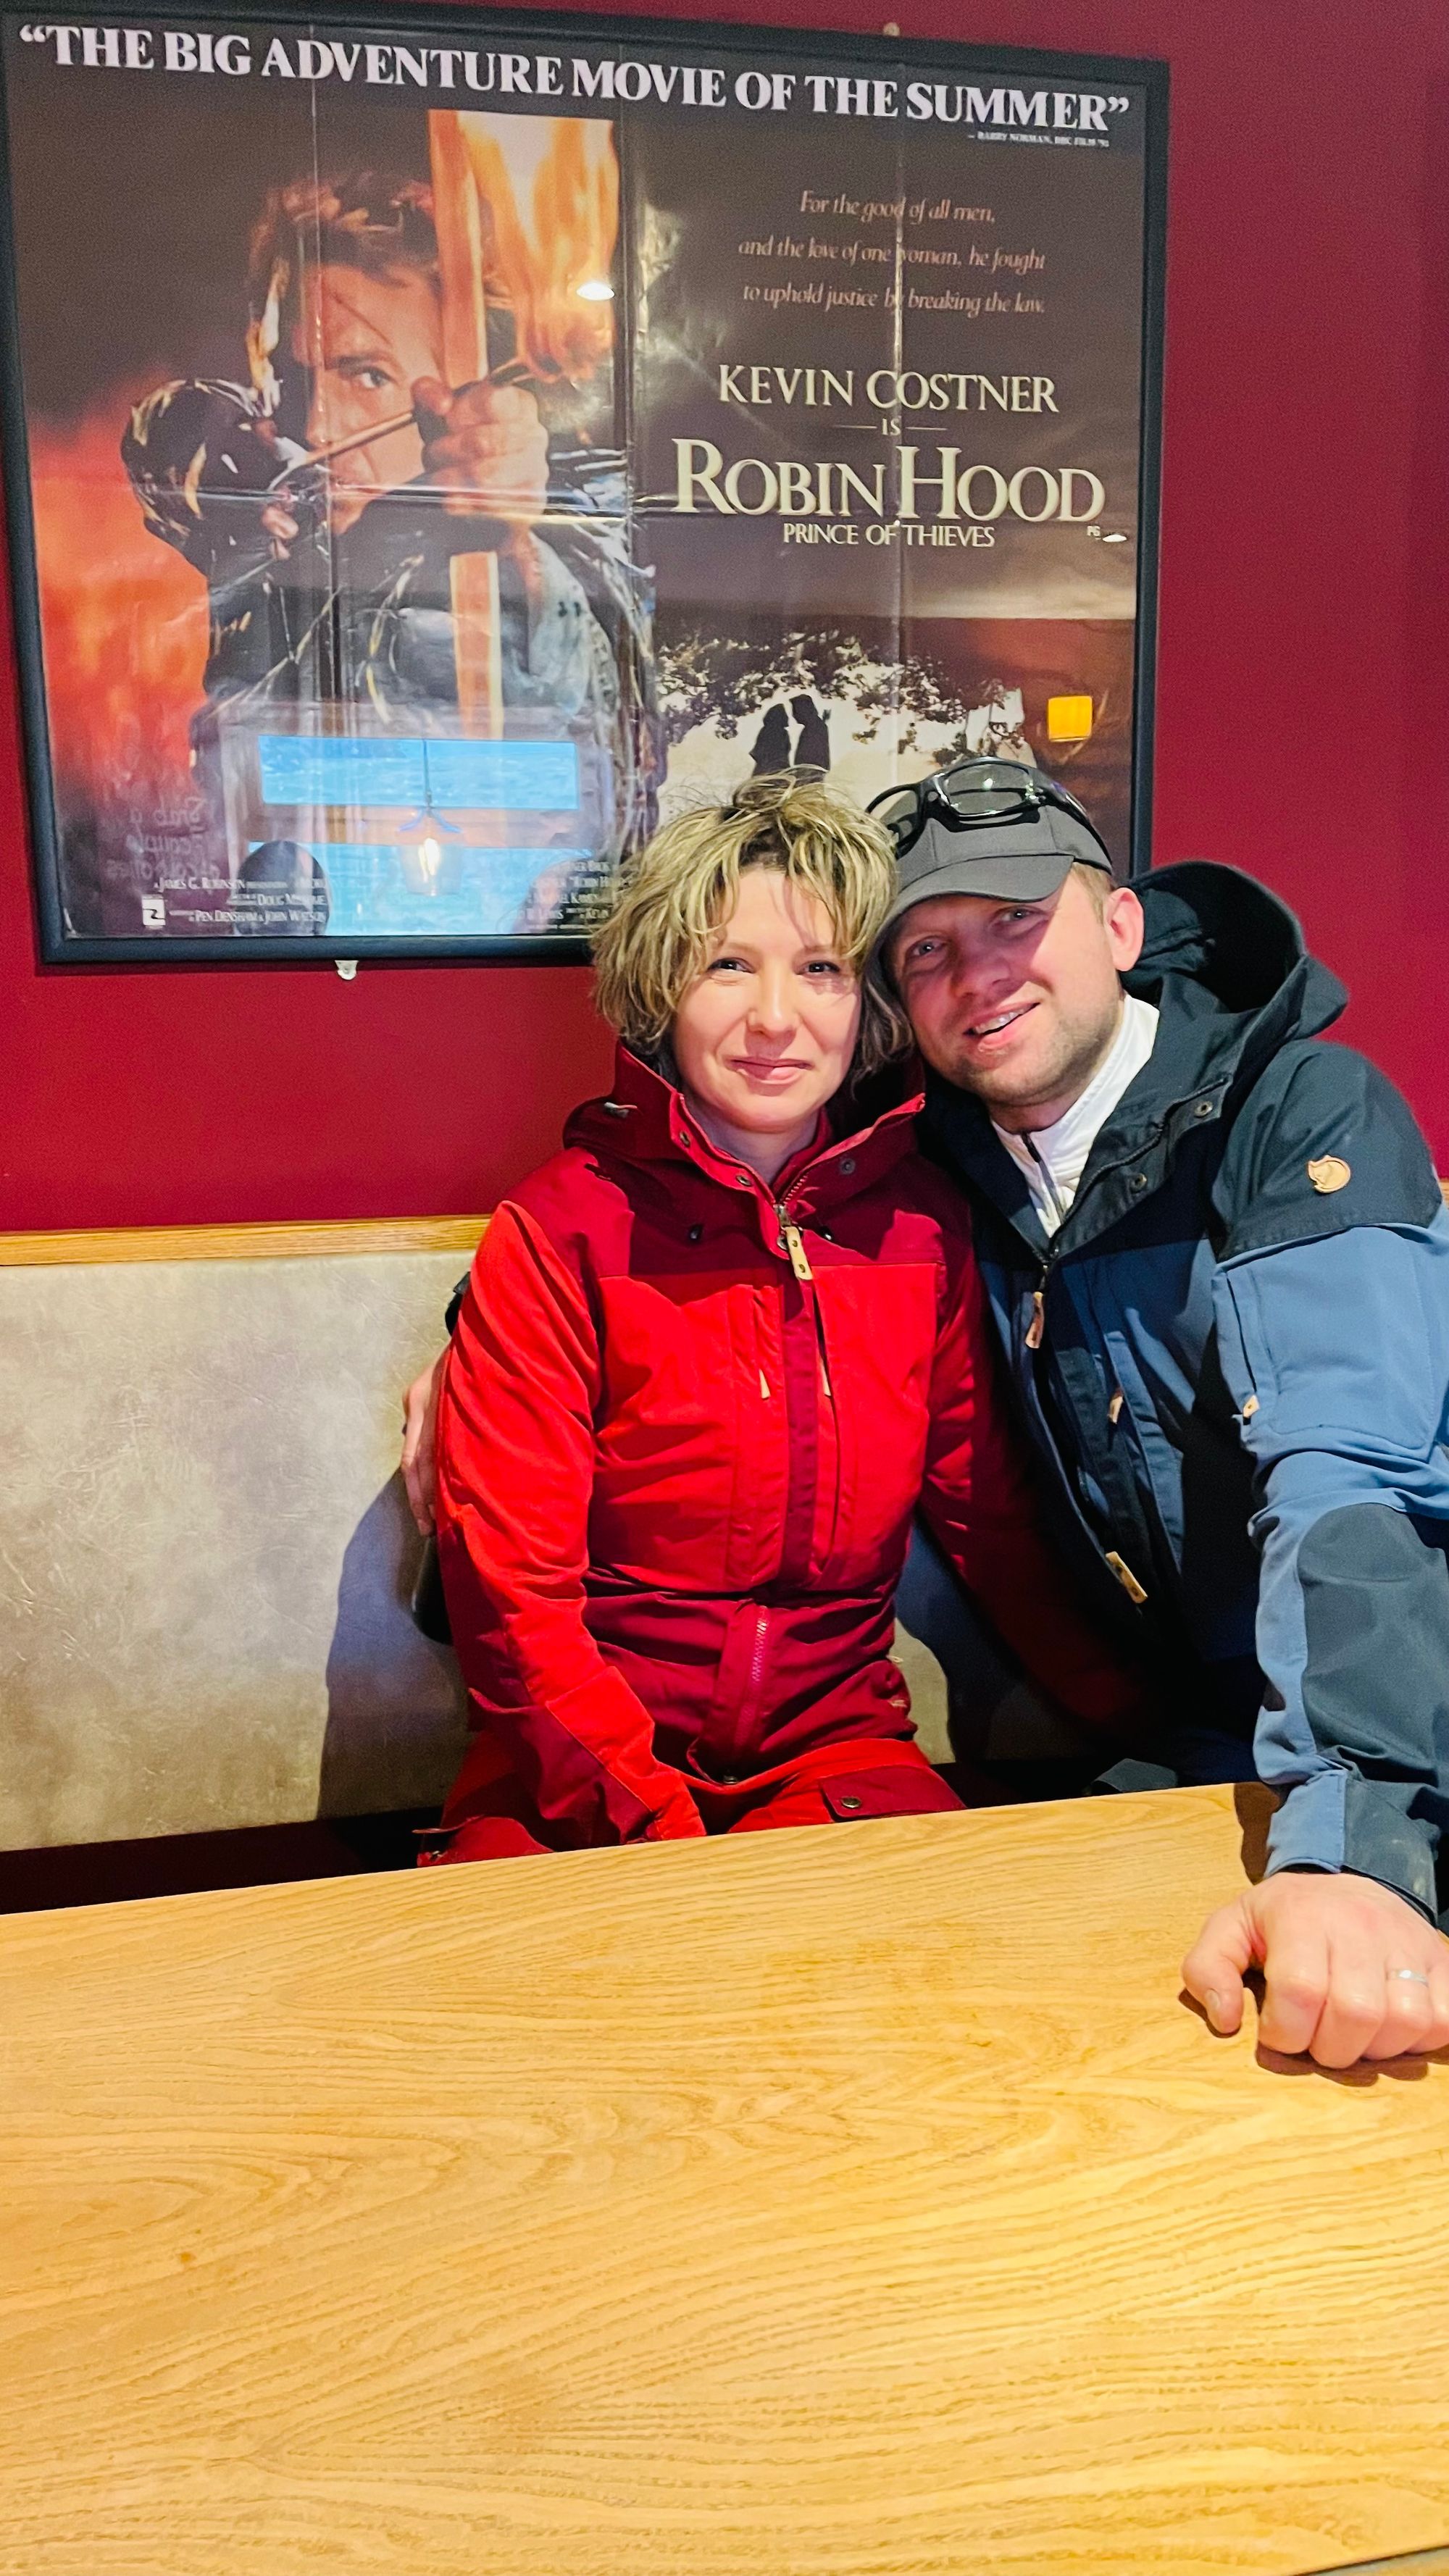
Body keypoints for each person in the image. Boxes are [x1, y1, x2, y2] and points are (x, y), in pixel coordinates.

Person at [425, 774, 1142, 1861]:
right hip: (571, 1774)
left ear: (868, 1005)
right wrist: (658, 1829)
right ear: (664, 992)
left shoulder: (922, 1230)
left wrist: (1151, 1725)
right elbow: (508, 1590)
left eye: (821, 971)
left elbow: (995, 1530)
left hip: (836, 1756)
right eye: (727, 967)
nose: (776, 1019)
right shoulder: (560, 1229)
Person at [866, 756, 1449, 2067]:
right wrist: (471, 1340)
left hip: (1404, 1722)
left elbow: (1353, 1476)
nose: (980, 974)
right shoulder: (951, 1154)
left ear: (1120, 928)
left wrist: (1355, 1845)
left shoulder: (1299, 1109)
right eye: (926, 951)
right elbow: (733, 1154)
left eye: (1017, 917)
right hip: (1209, 1737)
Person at [123, 169, 660, 903]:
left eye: (368, 376)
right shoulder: (279, 524)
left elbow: (564, 675)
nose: (316, 427)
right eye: (291, 380)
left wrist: (503, 544)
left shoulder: (529, 554)